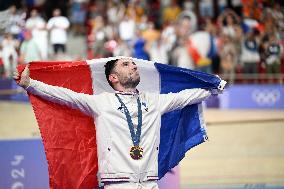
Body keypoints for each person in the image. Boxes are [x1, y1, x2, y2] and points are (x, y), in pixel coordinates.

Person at [13, 58, 225, 189]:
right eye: (126, 64)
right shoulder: (101, 103)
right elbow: (65, 96)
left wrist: (214, 86)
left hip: (150, 184)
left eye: (134, 64)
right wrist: (30, 84)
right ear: (113, 77)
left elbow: (187, 97)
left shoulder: (154, 101)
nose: (133, 65)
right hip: (117, 184)